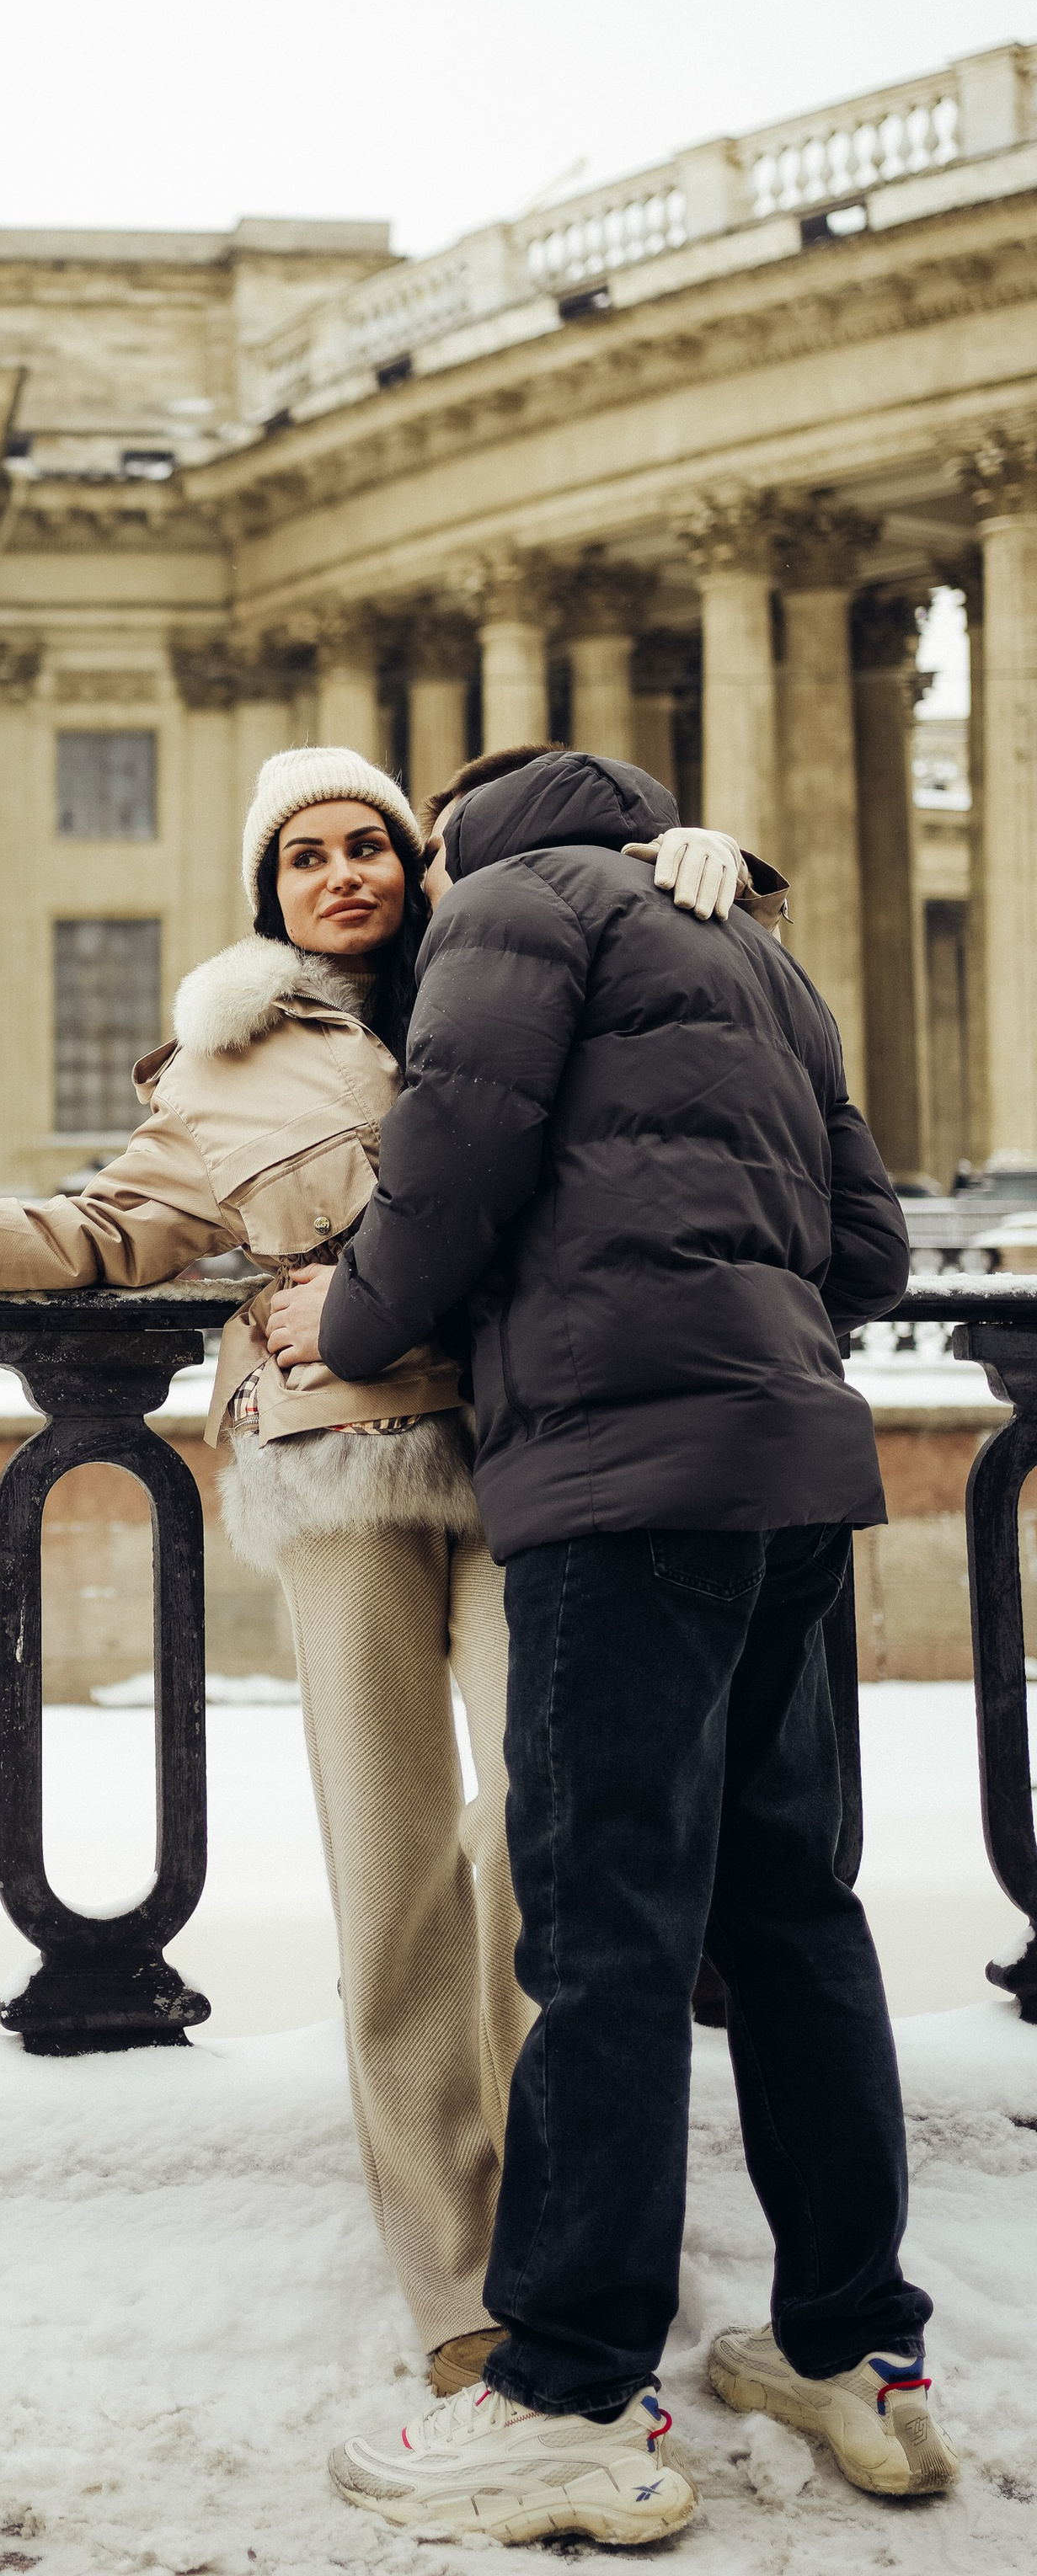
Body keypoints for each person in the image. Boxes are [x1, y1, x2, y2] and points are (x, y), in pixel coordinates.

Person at [0, 744, 742, 2392]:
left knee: (542, 1850)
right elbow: (98, 1234)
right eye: (303, 856)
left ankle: (558, 2226)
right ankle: (450, 2280)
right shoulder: (220, 1068)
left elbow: (654, 1104)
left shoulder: (508, 972)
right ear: (265, 896)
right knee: (392, 1875)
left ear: (417, 865)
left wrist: (682, 866)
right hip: (336, 1466)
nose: (342, 871)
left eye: (369, 842)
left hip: (518, 1451)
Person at [313, 748, 952, 2551]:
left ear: (460, 835)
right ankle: (853, 2354)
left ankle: (569, 2395)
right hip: (791, 1470)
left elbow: (438, 1190)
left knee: (599, 1937)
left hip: (616, 1487)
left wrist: (342, 1320)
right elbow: (868, 1247)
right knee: (787, 1912)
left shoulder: (506, 913)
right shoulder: (742, 942)